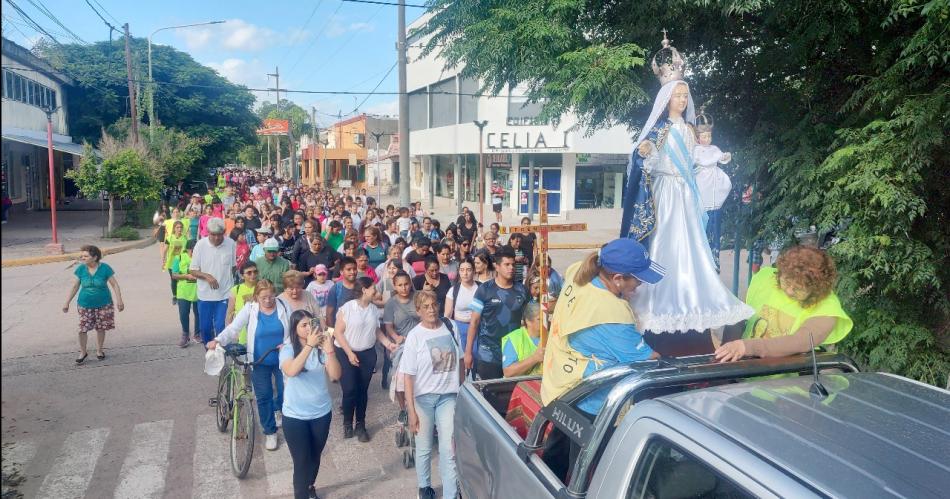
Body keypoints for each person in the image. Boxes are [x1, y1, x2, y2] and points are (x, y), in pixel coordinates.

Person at [620, 35, 752, 354]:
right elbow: (645, 162)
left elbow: (696, 158)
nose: (681, 100)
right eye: (676, 95)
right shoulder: (659, 129)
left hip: (686, 194)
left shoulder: (689, 130)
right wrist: (646, 153)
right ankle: (661, 298)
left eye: (684, 95)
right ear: (665, 98)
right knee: (667, 240)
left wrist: (715, 160)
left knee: (692, 244)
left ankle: (692, 294)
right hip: (667, 193)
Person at [539, 239, 662, 480]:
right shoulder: (612, 313)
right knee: (585, 476)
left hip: (562, 387)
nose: (640, 285)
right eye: (638, 278)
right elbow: (650, 361)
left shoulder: (579, 271)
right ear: (617, 278)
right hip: (591, 405)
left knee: (554, 463)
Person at [714, 246, 853, 362]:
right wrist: (726, 351)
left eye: (798, 288)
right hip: (742, 372)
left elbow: (801, 341)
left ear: (817, 288)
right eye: (786, 281)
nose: (789, 291)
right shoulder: (766, 279)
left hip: (786, 383)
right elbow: (741, 315)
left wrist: (747, 347)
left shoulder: (827, 306)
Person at [208, 280, 291, 451]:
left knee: (287, 393)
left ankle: (278, 410)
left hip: (283, 359)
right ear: (256, 297)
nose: (268, 300)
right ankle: (270, 432)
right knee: (263, 396)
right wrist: (218, 340)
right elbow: (234, 328)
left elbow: (294, 329)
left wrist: (288, 344)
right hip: (259, 361)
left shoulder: (284, 306)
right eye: (264, 297)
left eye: (271, 296)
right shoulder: (251, 309)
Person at [401, 290, 463, 499]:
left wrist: (461, 391)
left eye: (434, 305)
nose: (431, 310)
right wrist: (411, 410)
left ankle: (450, 494)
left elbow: (461, 361)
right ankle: (424, 486)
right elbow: (408, 376)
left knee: (449, 450)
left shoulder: (450, 326)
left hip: (448, 397)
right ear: (418, 311)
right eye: (425, 307)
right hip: (423, 399)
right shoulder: (414, 336)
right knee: (425, 447)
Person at [280, 310, 341, 499]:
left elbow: (336, 375)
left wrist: (329, 350)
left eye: (310, 324)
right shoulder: (288, 349)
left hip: (321, 414)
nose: (308, 329)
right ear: (295, 329)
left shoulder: (321, 348)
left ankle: (309, 485)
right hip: (295, 416)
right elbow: (291, 370)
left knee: (314, 457)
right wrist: (308, 346)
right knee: (301, 461)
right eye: (303, 325)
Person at [333, 276, 397, 441]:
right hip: (345, 352)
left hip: (367, 353)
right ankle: (347, 423)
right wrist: (349, 353)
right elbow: (338, 333)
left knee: (362, 391)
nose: (376, 292)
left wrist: (388, 344)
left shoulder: (373, 310)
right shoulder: (347, 308)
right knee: (349, 389)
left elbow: (376, 331)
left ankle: (361, 424)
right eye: (373, 289)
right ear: (364, 290)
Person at [465, 247, 529, 380]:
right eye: (507, 264)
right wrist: (468, 352)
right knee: (489, 396)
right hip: (488, 354)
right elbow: (474, 322)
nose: (511, 268)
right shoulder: (484, 290)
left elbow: (530, 318)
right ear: (497, 267)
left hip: (513, 353)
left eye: (513, 264)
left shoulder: (522, 290)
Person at [62, 245, 125, 363]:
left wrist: (119, 300)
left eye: (86, 256)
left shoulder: (105, 268)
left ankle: (99, 350)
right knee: (82, 329)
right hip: (84, 304)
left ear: (95, 257)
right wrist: (67, 302)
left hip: (104, 303)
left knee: (101, 328)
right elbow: (75, 286)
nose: (83, 258)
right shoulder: (81, 269)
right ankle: (83, 352)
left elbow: (115, 284)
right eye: (82, 256)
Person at [189, 218, 236, 345]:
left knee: (221, 326)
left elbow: (233, 267)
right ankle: (210, 354)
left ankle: (221, 355)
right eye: (213, 234)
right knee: (205, 329)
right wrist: (207, 276)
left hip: (225, 294)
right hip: (205, 295)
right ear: (207, 232)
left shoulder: (231, 243)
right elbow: (192, 270)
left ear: (224, 232)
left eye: (219, 234)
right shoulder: (200, 245)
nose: (216, 238)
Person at [444, 257, 478, 356]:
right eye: (462, 270)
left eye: (468, 270)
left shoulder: (481, 288)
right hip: (459, 328)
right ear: (458, 272)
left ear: (474, 271)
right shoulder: (453, 290)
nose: (465, 273)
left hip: (478, 329)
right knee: (462, 358)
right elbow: (448, 314)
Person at [501, 301, 544, 377]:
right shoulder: (514, 338)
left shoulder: (551, 336)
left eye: (546, 318)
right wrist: (535, 358)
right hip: (518, 386)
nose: (545, 322)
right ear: (528, 321)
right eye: (540, 319)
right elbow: (508, 372)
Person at [171, 239, 200, 347]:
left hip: (198, 291)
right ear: (188, 249)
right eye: (192, 250)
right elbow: (174, 275)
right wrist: (186, 276)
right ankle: (185, 334)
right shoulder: (179, 258)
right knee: (183, 314)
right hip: (183, 291)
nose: (194, 252)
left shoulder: (201, 259)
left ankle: (198, 334)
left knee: (199, 314)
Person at [226, 261, 258, 345]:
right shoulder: (236, 289)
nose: (253, 275)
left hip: (259, 331)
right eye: (249, 273)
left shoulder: (262, 288)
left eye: (255, 272)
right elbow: (230, 313)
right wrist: (230, 332)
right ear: (242, 275)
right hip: (242, 332)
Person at [325, 257, 360, 328]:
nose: (352, 272)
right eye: (349, 269)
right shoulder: (336, 289)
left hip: (360, 331)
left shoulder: (362, 286)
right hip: (341, 332)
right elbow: (329, 314)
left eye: (354, 269)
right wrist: (331, 334)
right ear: (341, 272)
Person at [164, 221, 188, 305]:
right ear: (174, 228)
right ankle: (175, 296)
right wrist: (163, 260)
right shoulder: (170, 238)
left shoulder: (184, 239)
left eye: (181, 227)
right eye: (177, 227)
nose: (179, 229)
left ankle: (181, 295)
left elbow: (186, 251)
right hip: (171, 262)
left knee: (181, 279)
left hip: (181, 262)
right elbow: (165, 250)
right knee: (174, 279)